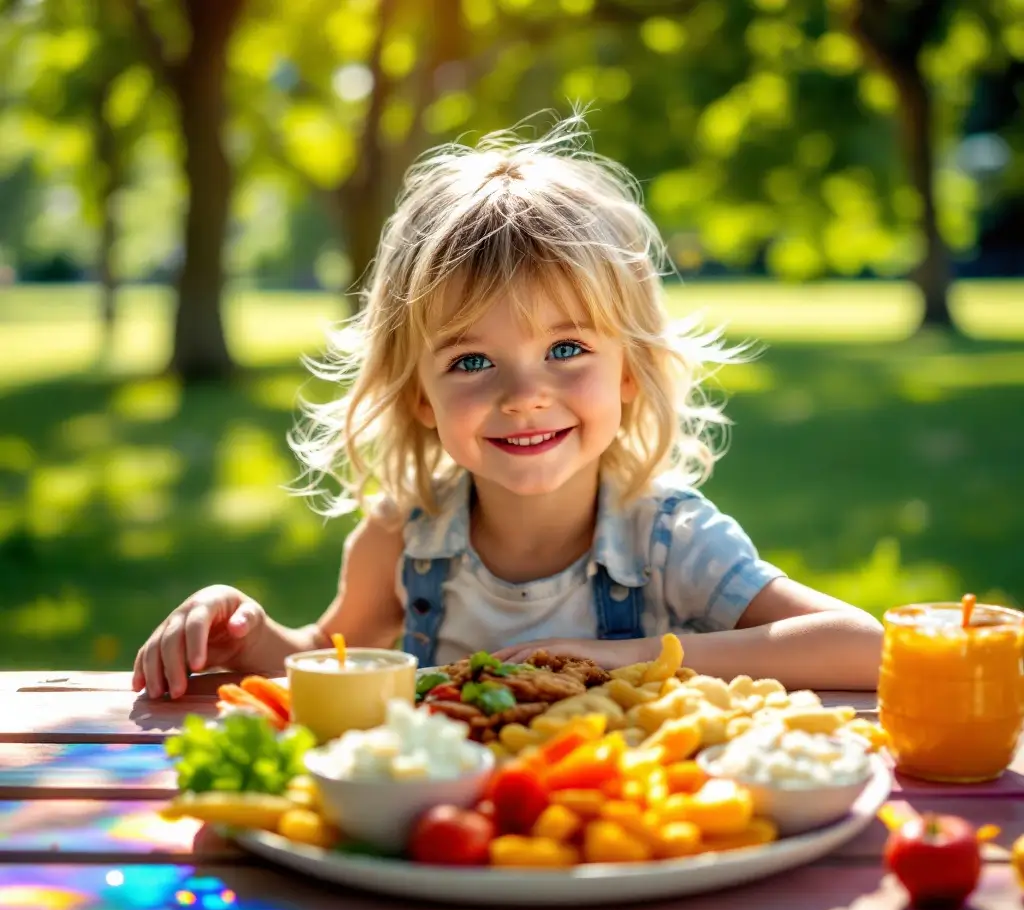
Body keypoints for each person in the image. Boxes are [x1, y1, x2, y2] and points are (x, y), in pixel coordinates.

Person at [133, 114, 883, 701]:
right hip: (449, 847)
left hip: (627, 842)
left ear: (629, 371)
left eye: (566, 350)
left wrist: (620, 660)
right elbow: (325, 666)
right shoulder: (403, 537)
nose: (524, 395)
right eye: (471, 362)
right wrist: (247, 634)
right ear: (420, 395)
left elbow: (865, 645)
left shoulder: (667, 542)